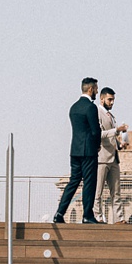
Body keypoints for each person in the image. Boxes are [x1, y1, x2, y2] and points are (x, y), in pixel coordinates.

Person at [53, 78, 103, 224]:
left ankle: (59, 213)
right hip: (88, 151)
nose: (97, 91)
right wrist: (97, 145)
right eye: (96, 89)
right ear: (91, 89)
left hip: (75, 150)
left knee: (73, 182)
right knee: (89, 182)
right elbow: (95, 131)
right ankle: (87, 215)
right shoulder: (91, 107)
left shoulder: (73, 107)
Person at [93, 87, 129, 224]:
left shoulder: (110, 116)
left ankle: (119, 218)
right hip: (102, 157)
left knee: (116, 191)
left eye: (113, 99)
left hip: (113, 157)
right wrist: (116, 130)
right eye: (110, 99)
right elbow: (98, 135)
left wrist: (120, 145)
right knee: (98, 191)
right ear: (102, 98)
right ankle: (98, 216)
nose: (112, 102)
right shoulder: (97, 113)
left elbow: (111, 137)